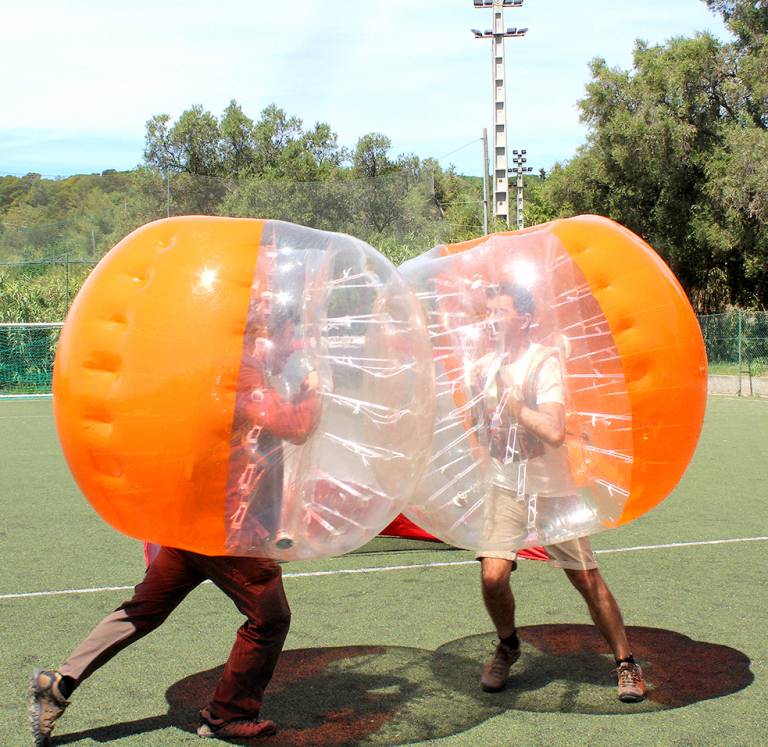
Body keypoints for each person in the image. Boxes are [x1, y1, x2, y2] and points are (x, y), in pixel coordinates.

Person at [29, 306, 321, 744]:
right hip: (223, 527)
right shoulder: (241, 374)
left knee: (143, 609)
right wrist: (311, 390)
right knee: (269, 617)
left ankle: (61, 681)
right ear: (263, 333)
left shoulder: (225, 369)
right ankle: (227, 713)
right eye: (290, 334)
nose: (295, 345)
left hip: (189, 519)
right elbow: (294, 425)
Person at [474, 281, 646, 703]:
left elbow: (553, 431)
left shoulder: (545, 362)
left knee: (585, 577)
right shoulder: (481, 367)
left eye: (501, 312)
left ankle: (626, 663)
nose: (492, 319)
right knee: (492, 577)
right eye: (489, 311)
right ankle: (508, 645)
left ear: (526, 319)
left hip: (552, 489)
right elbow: (481, 429)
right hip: (505, 487)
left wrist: (517, 410)